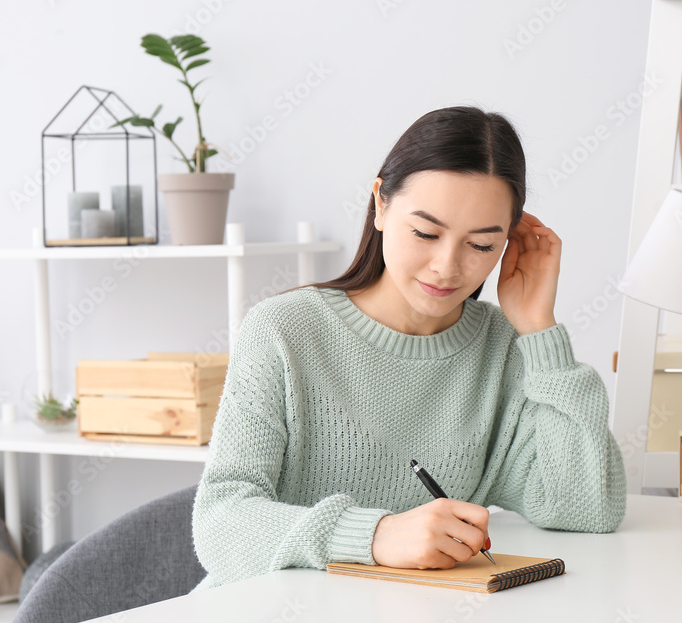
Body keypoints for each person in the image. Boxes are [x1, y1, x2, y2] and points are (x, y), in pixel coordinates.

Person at [189, 105, 626, 592]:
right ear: (381, 204)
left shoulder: (504, 349)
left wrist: (540, 330)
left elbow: (587, 507)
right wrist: (376, 536)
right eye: (426, 232)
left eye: (481, 245)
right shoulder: (285, 330)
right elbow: (221, 521)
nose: (446, 266)